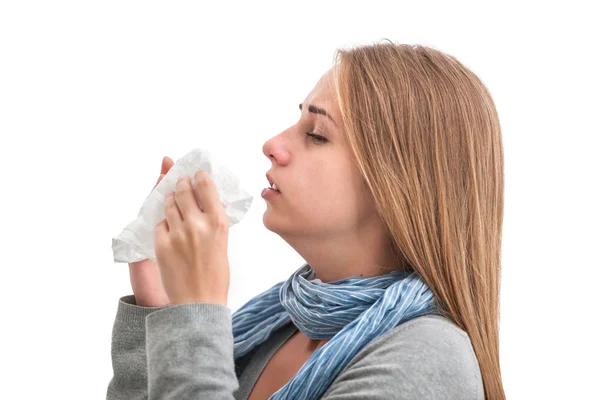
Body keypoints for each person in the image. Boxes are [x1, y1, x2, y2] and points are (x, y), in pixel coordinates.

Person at [107, 41, 505, 400]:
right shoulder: (278, 327)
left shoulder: (427, 359)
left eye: (316, 134)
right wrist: (160, 312)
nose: (273, 145)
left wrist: (196, 313)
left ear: (398, 183)